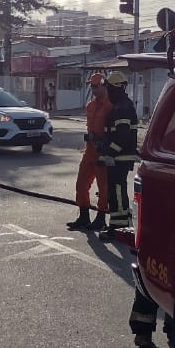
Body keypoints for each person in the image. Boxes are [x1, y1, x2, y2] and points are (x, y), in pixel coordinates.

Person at [66, 72, 111, 232]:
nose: (93, 89)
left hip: (103, 152)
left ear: (104, 86)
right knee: (81, 184)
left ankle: (101, 218)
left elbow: (114, 131)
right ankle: (84, 217)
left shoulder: (110, 106)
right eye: (91, 86)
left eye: (96, 86)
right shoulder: (91, 105)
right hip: (89, 151)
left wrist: (103, 141)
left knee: (103, 187)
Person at [96, 70, 138, 242]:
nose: (108, 93)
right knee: (117, 192)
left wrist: (109, 153)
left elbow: (122, 136)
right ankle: (123, 225)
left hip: (119, 158)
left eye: (109, 89)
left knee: (117, 193)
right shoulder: (122, 105)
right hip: (120, 157)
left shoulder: (122, 108)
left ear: (115, 89)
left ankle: (118, 229)